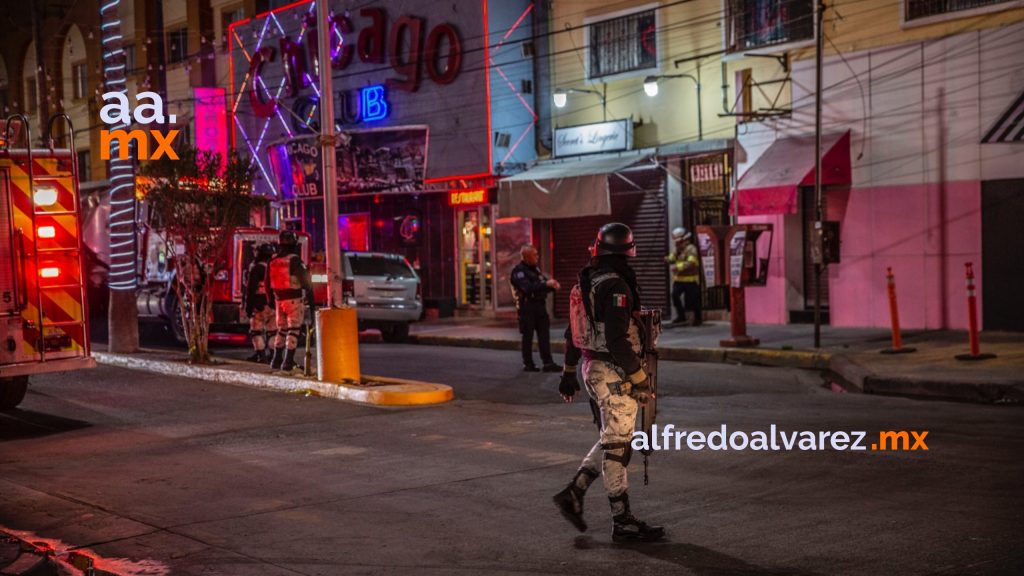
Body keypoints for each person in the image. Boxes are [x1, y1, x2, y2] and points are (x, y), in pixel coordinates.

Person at [553, 222, 665, 543]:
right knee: (618, 447)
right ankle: (622, 520)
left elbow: (571, 335)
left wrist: (568, 373)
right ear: (627, 252)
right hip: (614, 371)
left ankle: (574, 493)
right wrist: (640, 378)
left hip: (592, 367)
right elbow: (617, 339)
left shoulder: (584, 283)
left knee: (614, 437)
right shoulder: (616, 286)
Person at [268, 230, 314, 372]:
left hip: (278, 300)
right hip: (293, 299)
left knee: (281, 330)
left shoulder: (273, 260)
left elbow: (267, 280)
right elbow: (306, 282)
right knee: (293, 330)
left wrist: (271, 299)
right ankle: (288, 362)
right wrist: (311, 301)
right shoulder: (294, 260)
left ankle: (276, 360)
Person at [510, 244, 561, 372]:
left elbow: (542, 284)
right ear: (526, 256)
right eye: (535, 255)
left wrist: (552, 285)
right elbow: (527, 288)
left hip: (539, 306)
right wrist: (545, 284)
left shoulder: (535, 270)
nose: (537, 257)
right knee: (528, 336)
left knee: (544, 335)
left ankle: (548, 363)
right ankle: (528, 364)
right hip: (527, 307)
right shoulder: (519, 271)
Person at [243, 243, 277, 363]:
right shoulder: (275, 268)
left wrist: (248, 307)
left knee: (256, 331)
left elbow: (250, 290)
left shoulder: (256, 269)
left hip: (259, 305)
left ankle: (260, 355)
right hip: (274, 306)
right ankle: (273, 355)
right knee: (273, 332)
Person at [666, 227, 702, 326]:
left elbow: (691, 263)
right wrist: (667, 259)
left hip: (690, 280)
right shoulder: (677, 249)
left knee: (691, 301)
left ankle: (696, 319)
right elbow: (672, 258)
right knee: (675, 296)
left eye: (679, 241)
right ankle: (681, 316)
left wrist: (678, 267)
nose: (677, 243)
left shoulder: (691, 249)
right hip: (679, 279)